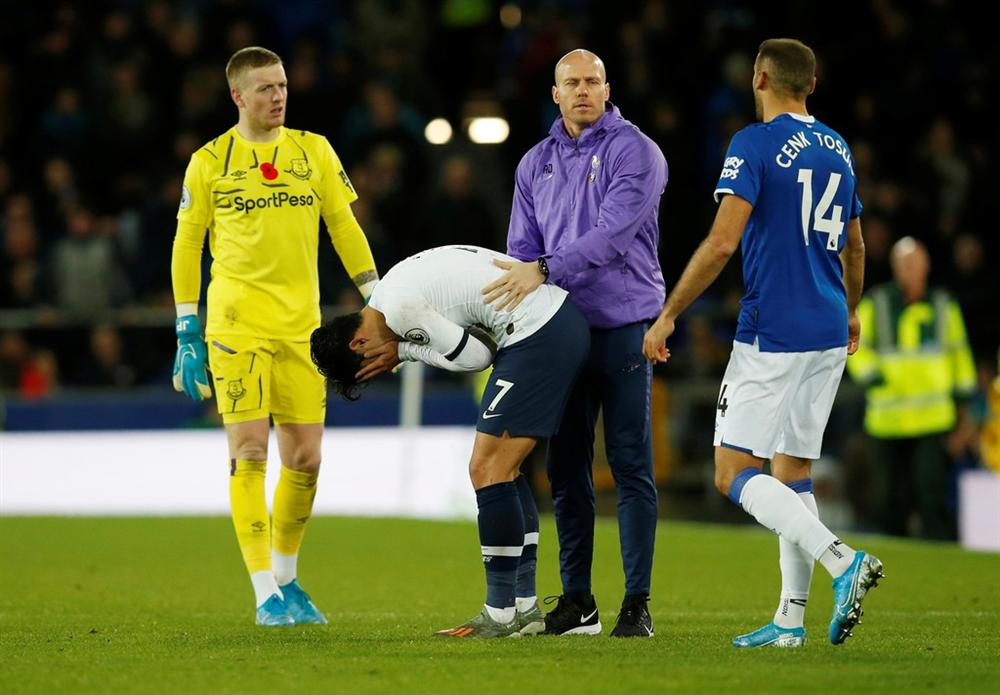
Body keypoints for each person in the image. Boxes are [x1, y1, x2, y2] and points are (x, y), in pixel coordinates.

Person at [642, 38, 883, 648]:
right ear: (812, 82)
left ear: (760, 77)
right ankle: (789, 621)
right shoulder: (839, 148)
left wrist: (668, 314)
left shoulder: (752, 144)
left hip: (773, 330)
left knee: (732, 472)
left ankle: (842, 561)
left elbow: (722, 243)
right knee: (793, 472)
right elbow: (855, 246)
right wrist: (851, 310)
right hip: (829, 328)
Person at [170, 46, 379, 627]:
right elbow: (188, 245)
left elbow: (344, 226)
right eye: (264, 89)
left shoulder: (313, 151)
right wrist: (187, 326)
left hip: (301, 329)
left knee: (306, 458)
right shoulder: (209, 162)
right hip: (236, 326)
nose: (278, 96)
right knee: (250, 451)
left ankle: (287, 579)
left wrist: (377, 298)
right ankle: (264, 592)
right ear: (237, 96)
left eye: (282, 85)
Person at [310, 244, 590, 638]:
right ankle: (525, 607)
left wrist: (404, 350)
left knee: (486, 468)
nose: (383, 366)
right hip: (551, 325)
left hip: (538, 333)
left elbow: (476, 356)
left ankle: (499, 613)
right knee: (504, 470)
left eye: (370, 368)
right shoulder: (391, 293)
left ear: (358, 344)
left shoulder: (400, 310)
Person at [484, 49, 666, 638]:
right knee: (565, 471)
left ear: (607, 89)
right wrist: (528, 282)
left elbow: (612, 235)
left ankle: (636, 603)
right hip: (559, 333)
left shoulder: (635, 151)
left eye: (592, 81)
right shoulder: (534, 163)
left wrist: (542, 267)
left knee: (631, 462)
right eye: (572, 83)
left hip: (621, 329)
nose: (583, 90)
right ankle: (579, 602)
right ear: (555, 93)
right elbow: (519, 249)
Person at [846, 237, 976, 539]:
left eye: (915, 262)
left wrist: (964, 401)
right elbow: (854, 344)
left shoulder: (944, 305)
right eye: (904, 264)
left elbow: (959, 352)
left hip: (932, 419)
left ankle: (937, 551)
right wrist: (870, 374)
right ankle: (895, 555)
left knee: (930, 492)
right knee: (889, 496)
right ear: (895, 268)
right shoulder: (876, 304)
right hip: (887, 420)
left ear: (927, 266)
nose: (910, 270)